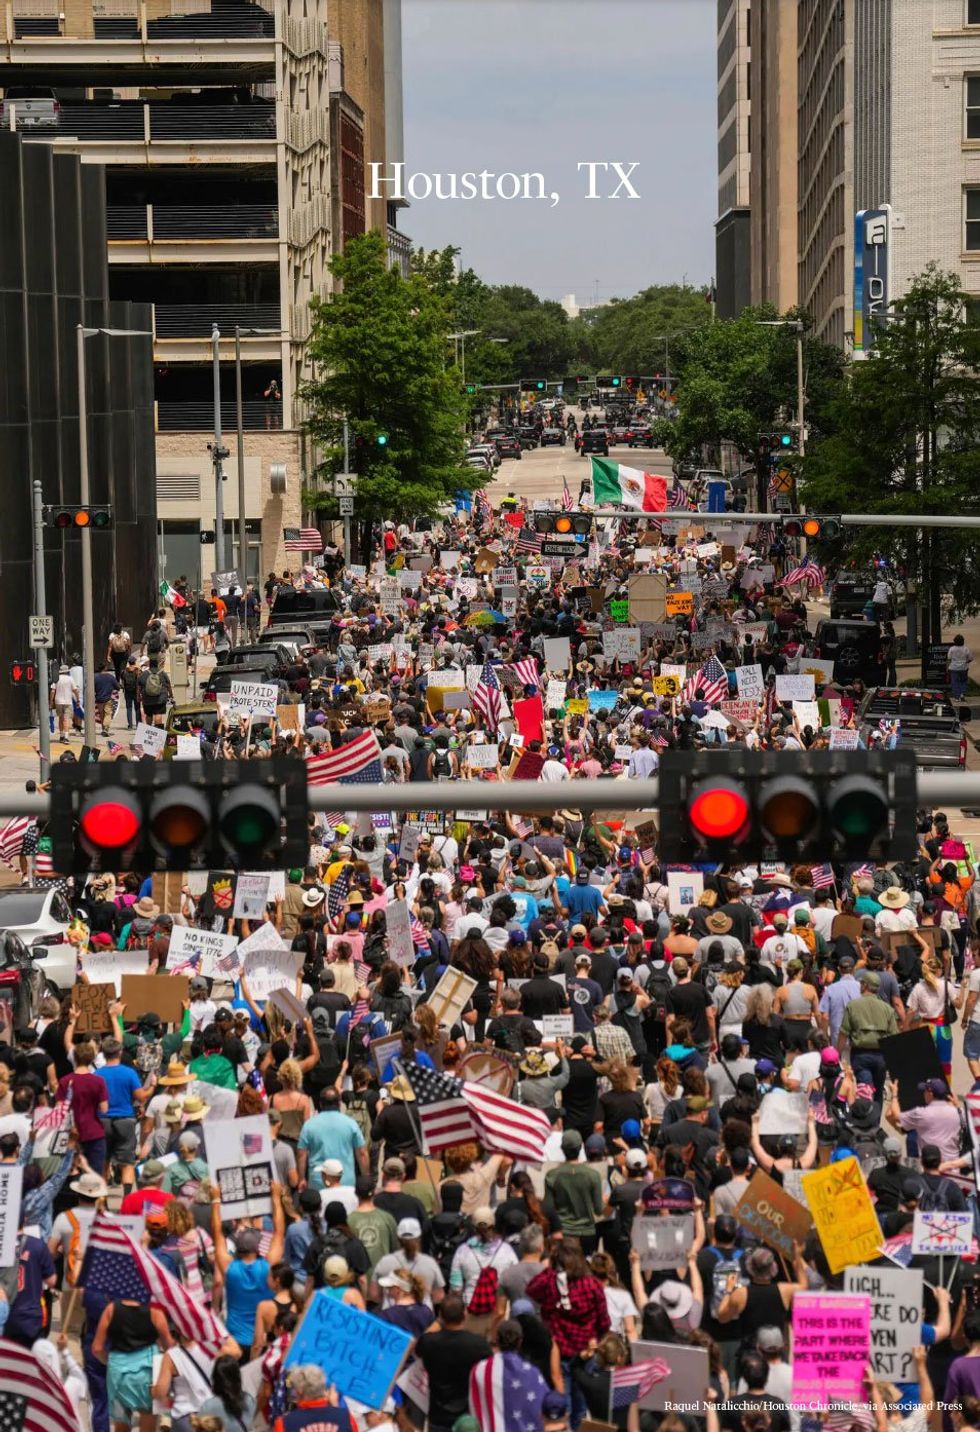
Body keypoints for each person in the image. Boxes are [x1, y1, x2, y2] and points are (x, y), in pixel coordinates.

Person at [210, 1185, 285, 1358]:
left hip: (236, 1340)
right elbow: (279, 1233)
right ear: (258, 1247)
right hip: (264, 1339)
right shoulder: (268, 1268)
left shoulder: (230, 1269)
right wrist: (276, 1198)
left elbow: (217, 1233)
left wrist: (216, 1200)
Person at [416, 1292, 492, 1432]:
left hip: (438, 1417)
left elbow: (418, 1344)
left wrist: (439, 1321)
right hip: (468, 1417)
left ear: (441, 1315)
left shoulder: (429, 1342)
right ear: (465, 1314)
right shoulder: (478, 1344)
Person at [947, 634, 973, 699]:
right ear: (963, 641)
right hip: (964, 668)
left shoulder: (952, 649)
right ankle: (962, 693)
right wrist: (966, 662)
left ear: (954, 641)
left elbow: (949, 658)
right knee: (963, 681)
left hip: (953, 668)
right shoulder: (966, 649)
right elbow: (971, 658)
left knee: (954, 682)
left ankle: (956, 696)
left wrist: (947, 667)